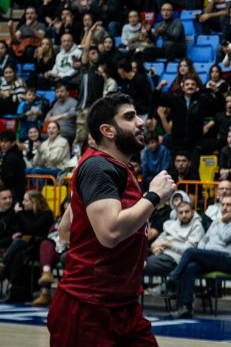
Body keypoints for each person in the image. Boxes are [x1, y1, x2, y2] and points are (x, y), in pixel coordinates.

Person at [47, 93, 178, 346]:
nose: (140, 122)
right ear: (107, 130)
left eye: (137, 115)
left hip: (122, 305)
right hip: (88, 308)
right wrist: (153, 196)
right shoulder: (98, 168)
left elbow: (66, 231)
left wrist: (128, 258)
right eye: (129, 117)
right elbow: (109, 234)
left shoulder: (111, 169)